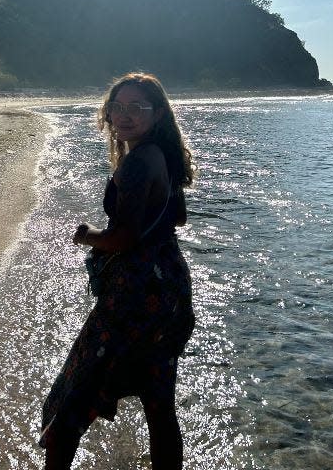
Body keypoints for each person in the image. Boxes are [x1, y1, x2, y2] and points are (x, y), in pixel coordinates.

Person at [40, 72, 196, 470]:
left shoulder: (137, 163)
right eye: (117, 107)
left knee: (73, 397)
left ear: (157, 113)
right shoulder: (163, 155)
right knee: (159, 406)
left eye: (136, 108)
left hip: (133, 295)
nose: (124, 116)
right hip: (169, 290)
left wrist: (87, 235)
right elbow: (175, 217)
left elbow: (123, 238)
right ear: (107, 112)